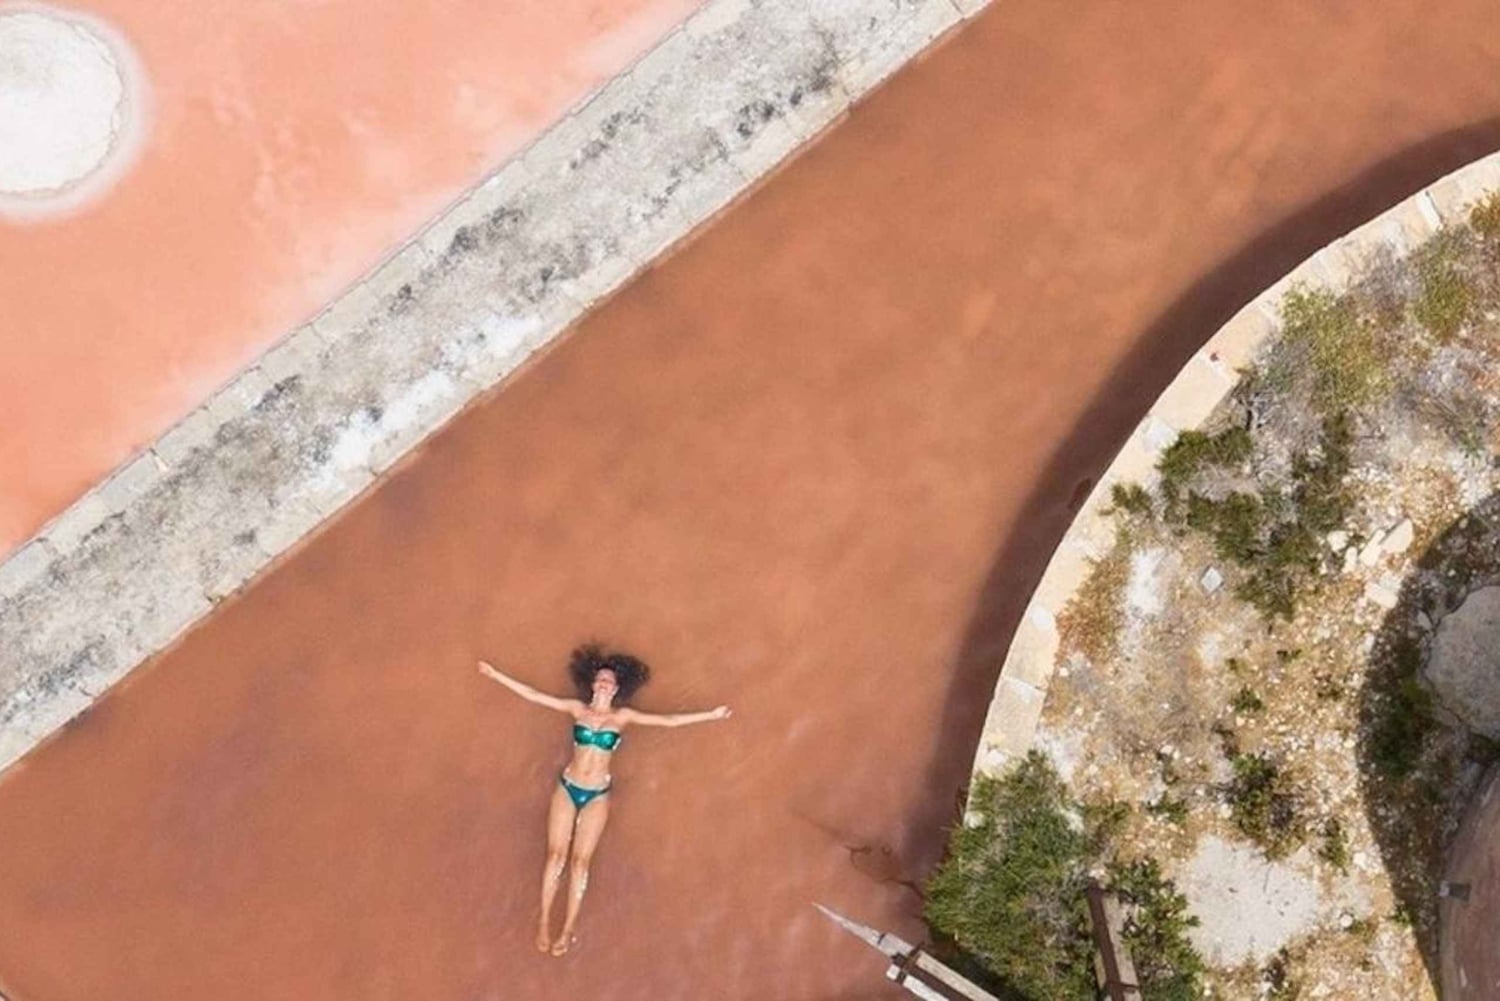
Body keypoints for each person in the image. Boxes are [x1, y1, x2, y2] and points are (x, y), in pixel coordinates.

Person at [477, 644, 731, 956]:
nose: (603, 684)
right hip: (568, 786)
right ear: (593, 684)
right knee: (555, 856)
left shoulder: (622, 717)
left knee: (580, 863)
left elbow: (669, 721)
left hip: (597, 793)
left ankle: (567, 928)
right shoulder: (577, 710)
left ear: (616, 689)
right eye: (600, 679)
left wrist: (711, 715)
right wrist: (496, 675)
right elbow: (534, 695)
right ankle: (543, 923)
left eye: (609, 681)